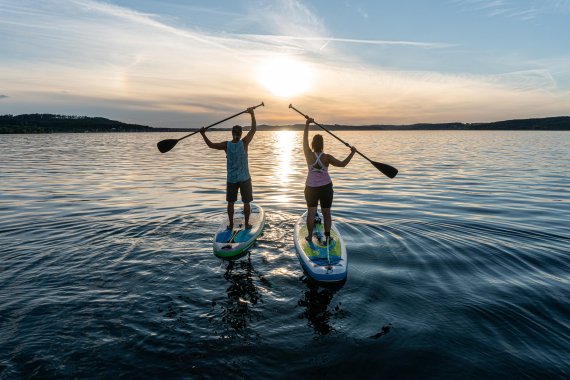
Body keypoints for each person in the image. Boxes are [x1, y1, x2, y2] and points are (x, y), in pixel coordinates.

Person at [302, 117, 356, 247]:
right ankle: (327, 236)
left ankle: (309, 237)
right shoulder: (327, 157)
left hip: (311, 188)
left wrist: (307, 124)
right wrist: (352, 153)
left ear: (313, 144)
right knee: (326, 213)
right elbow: (343, 164)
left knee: (311, 212)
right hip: (326, 188)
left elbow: (304, 140)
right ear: (322, 144)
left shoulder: (308, 154)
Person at [200, 107, 256, 230]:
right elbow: (253, 129)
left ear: (232, 133)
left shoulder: (226, 145)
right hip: (245, 177)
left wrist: (203, 134)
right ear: (241, 134)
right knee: (247, 202)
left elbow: (210, 145)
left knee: (231, 203)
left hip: (232, 179)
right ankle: (247, 225)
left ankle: (231, 225)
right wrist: (252, 114)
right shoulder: (244, 142)